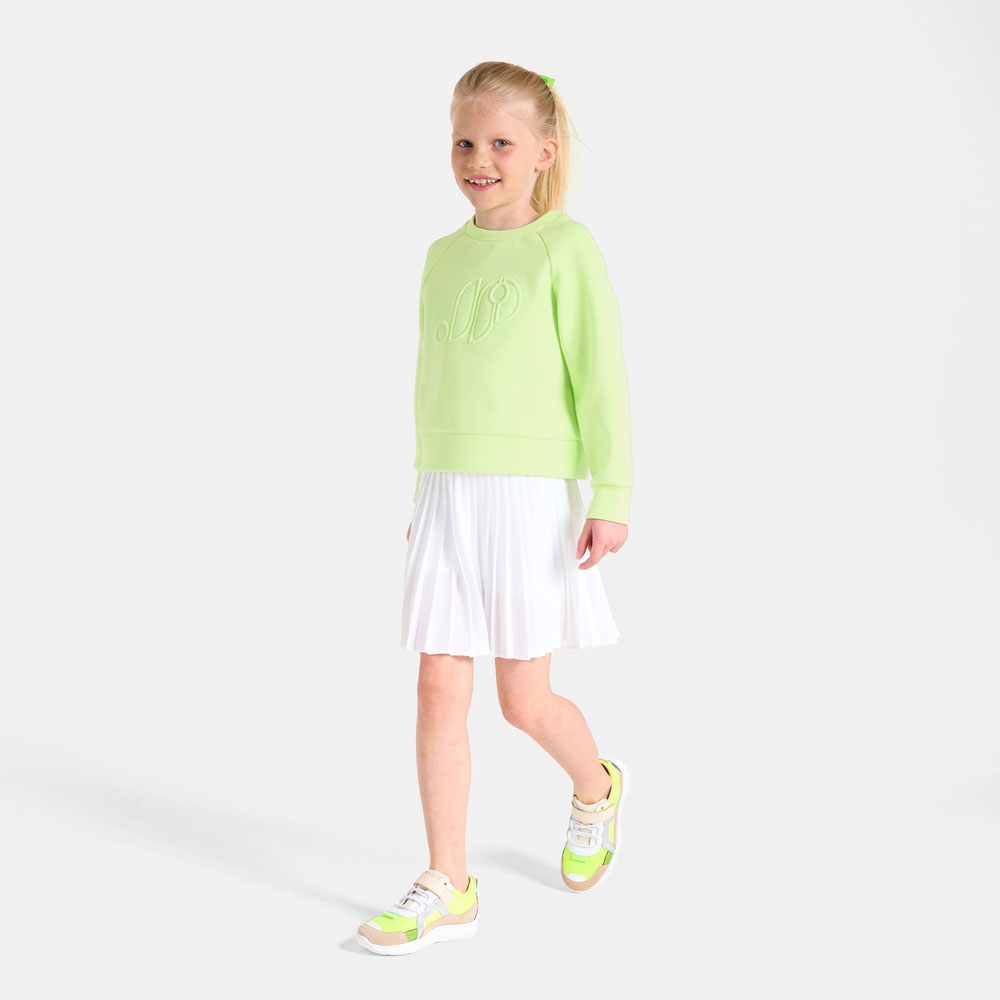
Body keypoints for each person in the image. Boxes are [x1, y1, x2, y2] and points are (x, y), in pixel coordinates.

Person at [356, 61, 633, 956]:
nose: (479, 159)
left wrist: (611, 494)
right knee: (439, 684)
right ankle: (450, 880)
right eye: (465, 142)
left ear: (544, 153)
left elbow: (601, 379)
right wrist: (426, 489)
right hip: (449, 492)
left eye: (501, 143)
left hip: (530, 496)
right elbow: (433, 382)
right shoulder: (441, 257)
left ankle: (596, 788)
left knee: (523, 699)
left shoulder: (566, 247)